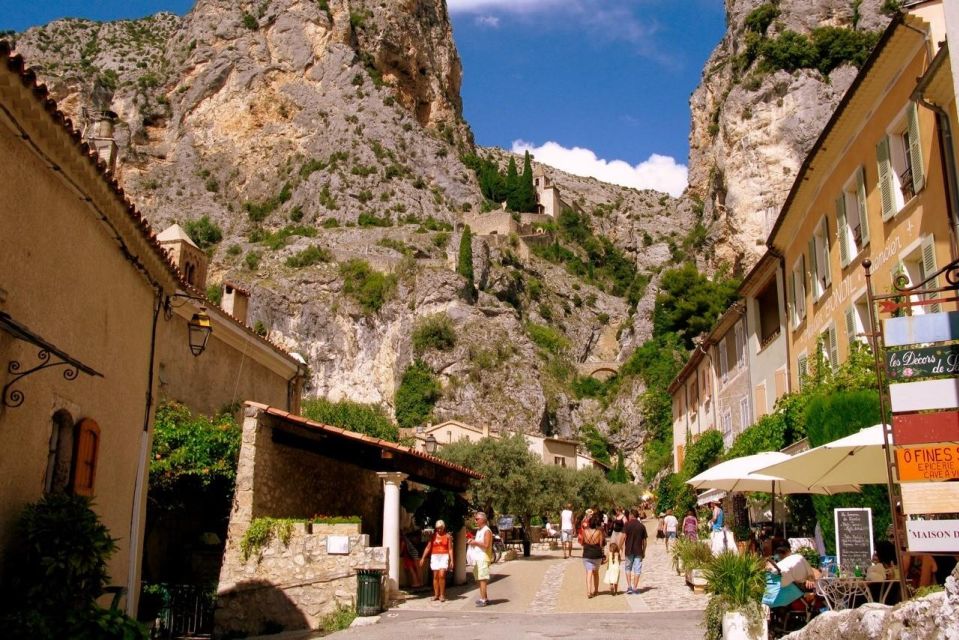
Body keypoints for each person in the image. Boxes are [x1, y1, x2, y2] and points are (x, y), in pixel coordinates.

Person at [419, 520, 454, 602]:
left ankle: (442, 595)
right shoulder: (433, 536)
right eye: (437, 528)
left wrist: (452, 560)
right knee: (435, 576)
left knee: (441, 575)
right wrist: (423, 558)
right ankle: (436, 594)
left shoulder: (448, 536)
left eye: (440, 528)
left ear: (443, 527)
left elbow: (450, 549)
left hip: (444, 556)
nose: (439, 530)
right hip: (435, 556)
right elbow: (428, 547)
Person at [468, 511, 493, 607]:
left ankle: (483, 599)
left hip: (483, 557)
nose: (475, 521)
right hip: (478, 557)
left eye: (477, 519)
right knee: (479, 578)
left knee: (482, 579)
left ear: (483, 519)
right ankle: (484, 597)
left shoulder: (487, 530)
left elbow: (486, 545)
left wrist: (475, 542)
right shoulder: (479, 530)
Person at [623, 508, 648, 594]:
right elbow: (645, 541)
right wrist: (644, 551)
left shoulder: (627, 525)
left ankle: (629, 587)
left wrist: (619, 548)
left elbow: (623, 537)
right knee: (637, 570)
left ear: (631, 515)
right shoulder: (642, 526)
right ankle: (635, 588)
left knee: (628, 568)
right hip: (638, 551)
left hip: (629, 550)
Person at [581, 513, 605, 598]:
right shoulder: (599, 532)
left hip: (587, 553)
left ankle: (588, 592)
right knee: (596, 573)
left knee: (589, 572)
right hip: (596, 554)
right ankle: (596, 590)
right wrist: (603, 555)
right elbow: (601, 544)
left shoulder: (585, 531)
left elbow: (582, 542)